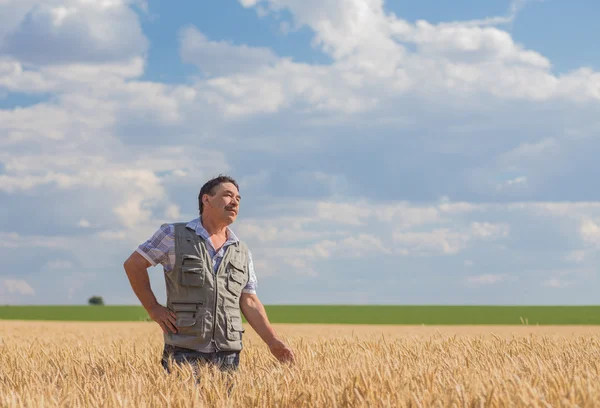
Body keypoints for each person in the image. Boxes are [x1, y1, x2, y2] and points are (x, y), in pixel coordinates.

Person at [123, 175, 295, 376]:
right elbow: (134, 264)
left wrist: (273, 341)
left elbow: (249, 300)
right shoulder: (173, 234)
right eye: (228, 195)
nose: (234, 202)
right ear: (206, 199)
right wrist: (153, 308)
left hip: (228, 353)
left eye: (238, 199)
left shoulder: (241, 250)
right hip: (184, 349)